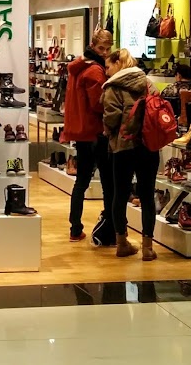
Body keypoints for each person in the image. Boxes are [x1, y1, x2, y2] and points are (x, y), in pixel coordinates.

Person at [102, 49, 158, 261]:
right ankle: (148, 247)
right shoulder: (147, 83)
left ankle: (122, 243)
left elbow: (111, 119)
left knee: (120, 194)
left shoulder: (113, 88)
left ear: (118, 64)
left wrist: (108, 132)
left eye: (108, 67)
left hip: (123, 147)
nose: (106, 72)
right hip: (148, 145)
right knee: (147, 195)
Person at [62, 29, 112, 242]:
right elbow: (98, 104)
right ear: (93, 46)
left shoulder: (78, 66)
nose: (105, 52)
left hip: (82, 132)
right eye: (101, 48)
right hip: (96, 132)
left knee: (81, 182)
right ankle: (109, 228)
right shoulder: (95, 71)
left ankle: (75, 228)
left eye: (108, 49)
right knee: (108, 182)